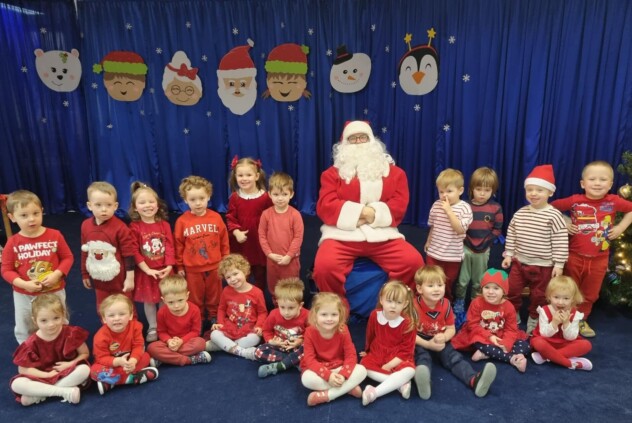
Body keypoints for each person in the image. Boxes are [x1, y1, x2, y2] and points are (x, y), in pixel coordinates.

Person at [312, 120, 424, 309]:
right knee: (325, 267)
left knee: (413, 262)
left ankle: (397, 307)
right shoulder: (331, 174)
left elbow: (399, 203)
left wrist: (370, 215)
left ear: (371, 140)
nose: (358, 142)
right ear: (344, 144)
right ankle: (336, 310)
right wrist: (363, 212)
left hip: (383, 235)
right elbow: (325, 205)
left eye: (362, 137)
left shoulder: (395, 174)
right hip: (342, 235)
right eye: (353, 138)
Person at [551, 161, 632, 337]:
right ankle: (564, 317)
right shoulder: (575, 200)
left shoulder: (613, 201)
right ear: (583, 183)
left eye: (603, 179)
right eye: (592, 179)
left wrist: (620, 227)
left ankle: (580, 319)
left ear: (610, 184)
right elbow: (551, 207)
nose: (597, 183)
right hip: (574, 256)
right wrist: (566, 221)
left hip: (599, 259)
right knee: (569, 289)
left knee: (590, 293)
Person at [501, 164, 568, 334]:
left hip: (544, 266)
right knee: (512, 290)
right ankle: (513, 313)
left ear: (550, 192)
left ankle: (534, 317)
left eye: (539, 190)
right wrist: (509, 254)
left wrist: (559, 264)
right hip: (519, 263)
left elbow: (560, 241)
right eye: (530, 189)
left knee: (540, 295)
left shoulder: (554, 215)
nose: (534, 193)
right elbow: (512, 234)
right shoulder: (520, 213)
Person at [412, 266, 496, 400]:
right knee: (422, 357)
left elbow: (451, 329)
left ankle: (474, 380)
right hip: (420, 340)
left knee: (453, 357)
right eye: (431, 286)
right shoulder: (413, 307)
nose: (436, 289)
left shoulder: (446, 304)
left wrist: (444, 337)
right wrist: (427, 345)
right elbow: (409, 334)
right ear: (419, 289)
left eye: (440, 285)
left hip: (440, 339)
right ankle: (424, 382)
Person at [1, 190, 74, 344]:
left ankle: (62, 344)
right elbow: (6, 270)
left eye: (36, 213)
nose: (31, 219)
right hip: (24, 294)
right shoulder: (12, 242)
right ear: (12, 217)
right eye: (24, 215)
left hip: (54, 290)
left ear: (42, 211)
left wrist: (57, 274)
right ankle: (27, 348)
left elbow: (67, 257)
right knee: (25, 323)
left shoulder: (55, 235)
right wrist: (23, 284)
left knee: (58, 318)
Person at [10, 294, 89, 406]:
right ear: (35, 320)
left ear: (63, 315)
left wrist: (70, 364)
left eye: (56, 318)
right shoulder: (31, 343)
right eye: (44, 320)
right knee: (17, 384)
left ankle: (39, 395)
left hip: (66, 373)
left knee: (84, 369)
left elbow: (85, 353)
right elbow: (23, 370)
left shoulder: (71, 333)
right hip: (41, 377)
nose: (51, 324)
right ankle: (63, 391)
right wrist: (46, 375)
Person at [174, 175, 230, 326]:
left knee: (215, 294)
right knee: (195, 296)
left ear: (209, 197)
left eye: (201, 198)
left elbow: (224, 241)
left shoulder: (216, 218)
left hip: (215, 266)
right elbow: (178, 245)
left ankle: (214, 317)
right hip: (192, 268)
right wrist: (179, 266)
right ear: (185, 200)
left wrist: (226, 261)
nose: (198, 203)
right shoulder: (182, 221)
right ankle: (197, 318)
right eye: (192, 200)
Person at [452, 269, 530, 373]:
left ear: (504, 291)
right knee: (477, 341)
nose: (490, 292)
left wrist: (506, 343)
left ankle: (488, 354)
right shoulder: (476, 303)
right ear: (482, 289)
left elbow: (511, 329)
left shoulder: (509, 307)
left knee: (525, 345)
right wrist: (490, 337)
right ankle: (512, 359)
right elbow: (473, 325)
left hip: (501, 335)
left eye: (496, 288)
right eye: (486, 287)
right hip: (482, 335)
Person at [454, 167, 503, 328]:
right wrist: (466, 241)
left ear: (493, 191)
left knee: (478, 281)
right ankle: (459, 301)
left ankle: (476, 303)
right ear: (471, 189)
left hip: (483, 250)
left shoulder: (495, 208)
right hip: (465, 248)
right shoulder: (465, 205)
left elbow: (497, 229)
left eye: (487, 190)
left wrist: (486, 242)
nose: (482, 193)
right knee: (462, 280)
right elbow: (460, 226)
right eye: (478, 189)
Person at [300, 292, 367, 406]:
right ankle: (347, 388)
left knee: (362, 370)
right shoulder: (310, 332)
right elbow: (309, 359)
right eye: (324, 314)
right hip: (320, 368)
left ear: (340, 315)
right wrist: (328, 376)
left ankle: (327, 395)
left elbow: (351, 355)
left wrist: (343, 375)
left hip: (339, 367)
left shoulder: (343, 329)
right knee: (306, 379)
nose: (329, 319)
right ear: (315, 315)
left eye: (334, 314)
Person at [128, 182, 175, 342]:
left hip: (164, 270)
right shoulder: (134, 227)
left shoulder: (164, 225)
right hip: (147, 272)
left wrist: (169, 266)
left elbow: (169, 246)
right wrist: (147, 269)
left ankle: (163, 325)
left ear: (157, 204)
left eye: (151, 201)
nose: (147, 205)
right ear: (135, 207)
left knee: (164, 299)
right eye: (142, 202)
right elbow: (134, 251)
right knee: (149, 301)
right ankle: (153, 326)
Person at [81, 181, 137, 313]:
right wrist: (85, 274)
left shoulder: (121, 228)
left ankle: (131, 325)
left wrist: (130, 278)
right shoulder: (85, 226)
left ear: (115, 206)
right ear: (89, 206)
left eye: (108, 205)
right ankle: (107, 325)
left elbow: (129, 255)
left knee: (125, 306)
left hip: (119, 281)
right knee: (103, 307)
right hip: (98, 279)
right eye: (98, 205)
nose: (104, 209)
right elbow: (85, 251)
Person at [360, 281, 417, 406]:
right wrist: (367, 350)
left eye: (398, 302)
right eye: (389, 301)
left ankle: (374, 392)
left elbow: (407, 350)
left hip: (398, 356)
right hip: (377, 352)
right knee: (363, 368)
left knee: (410, 371)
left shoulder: (408, 323)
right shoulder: (374, 315)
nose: (393, 306)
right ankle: (400, 384)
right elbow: (370, 334)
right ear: (381, 300)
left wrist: (390, 365)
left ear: (405, 304)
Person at [90, 294, 159, 394]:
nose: (117, 318)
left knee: (146, 357)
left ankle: (111, 382)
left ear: (130, 315)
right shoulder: (100, 337)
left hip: (129, 361)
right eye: (111, 315)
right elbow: (101, 358)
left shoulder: (136, 327)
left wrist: (133, 361)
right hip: (111, 364)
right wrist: (118, 361)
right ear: (104, 319)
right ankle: (133, 378)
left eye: (121, 314)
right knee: (94, 371)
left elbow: (138, 346)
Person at [425, 168, 473, 301]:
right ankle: (431, 302)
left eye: (449, 191)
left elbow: (460, 230)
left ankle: (446, 301)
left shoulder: (465, 208)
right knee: (432, 279)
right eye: (441, 192)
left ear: (460, 191)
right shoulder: (436, 205)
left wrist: (449, 212)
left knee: (448, 281)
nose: (444, 195)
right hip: (434, 253)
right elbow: (433, 226)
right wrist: (428, 241)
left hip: (452, 256)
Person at [208, 254, 267, 360]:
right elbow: (221, 309)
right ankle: (242, 352)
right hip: (230, 326)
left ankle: (223, 346)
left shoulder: (257, 292)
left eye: (235, 274)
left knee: (255, 338)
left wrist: (259, 326)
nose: (233, 279)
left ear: (245, 271)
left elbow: (262, 312)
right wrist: (220, 323)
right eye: (228, 277)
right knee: (214, 334)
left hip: (248, 328)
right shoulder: (226, 291)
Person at [226, 156, 273, 291]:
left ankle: (258, 295)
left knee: (260, 273)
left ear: (257, 176)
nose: (244, 178)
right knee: (241, 271)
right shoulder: (234, 197)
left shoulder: (265, 197)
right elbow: (230, 217)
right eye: (240, 175)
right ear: (235, 176)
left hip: (258, 242)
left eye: (248, 175)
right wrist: (236, 232)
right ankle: (241, 295)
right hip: (241, 243)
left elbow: (271, 218)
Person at [530, 276, 593, 370]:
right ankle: (569, 363)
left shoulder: (575, 314)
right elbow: (544, 333)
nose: (560, 302)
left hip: (566, 343)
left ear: (573, 299)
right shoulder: (544, 310)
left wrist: (566, 323)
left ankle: (545, 357)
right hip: (547, 341)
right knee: (537, 342)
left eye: (566, 298)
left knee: (586, 345)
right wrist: (554, 323)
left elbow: (571, 337)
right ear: (549, 296)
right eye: (556, 297)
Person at [146, 275, 211, 367]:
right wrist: (169, 341)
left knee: (200, 343)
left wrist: (181, 341)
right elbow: (162, 332)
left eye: (180, 300)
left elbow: (195, 331)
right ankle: (190, 360)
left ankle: (165, 359)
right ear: (164, 300)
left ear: (187, 296)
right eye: (171, 302)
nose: (176, 306)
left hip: (187, 341)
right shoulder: (161, 312)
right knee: (151, 348)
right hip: (169, 343)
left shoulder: (194, 310)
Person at [258, 172, 304, 297]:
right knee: (274, 285)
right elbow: (262, 236)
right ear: (269, 194)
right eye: (276, 194)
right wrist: (269, 254)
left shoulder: (295, 215)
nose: (280, 198)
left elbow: (298, 237)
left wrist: (289, 256)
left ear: (291, 194)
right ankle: (277, 305)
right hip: (272, 260)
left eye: (284, 194)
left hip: (291, 260)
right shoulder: (266, 214)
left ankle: (292, 305)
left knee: (291, 286)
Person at [255, 277, 309, 378]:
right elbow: (266, 330)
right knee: (259, 352)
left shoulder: (307, 315)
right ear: (277, 303)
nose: (286, 312)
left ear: (300, 305)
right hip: (280, 347)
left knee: (308, 348)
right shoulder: (274, 314)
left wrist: (300, 340)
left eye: (291, 308)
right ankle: (293, 362)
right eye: (282, 307)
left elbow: (312, 333)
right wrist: (271, 341)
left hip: (297, 347)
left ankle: (281, 365)